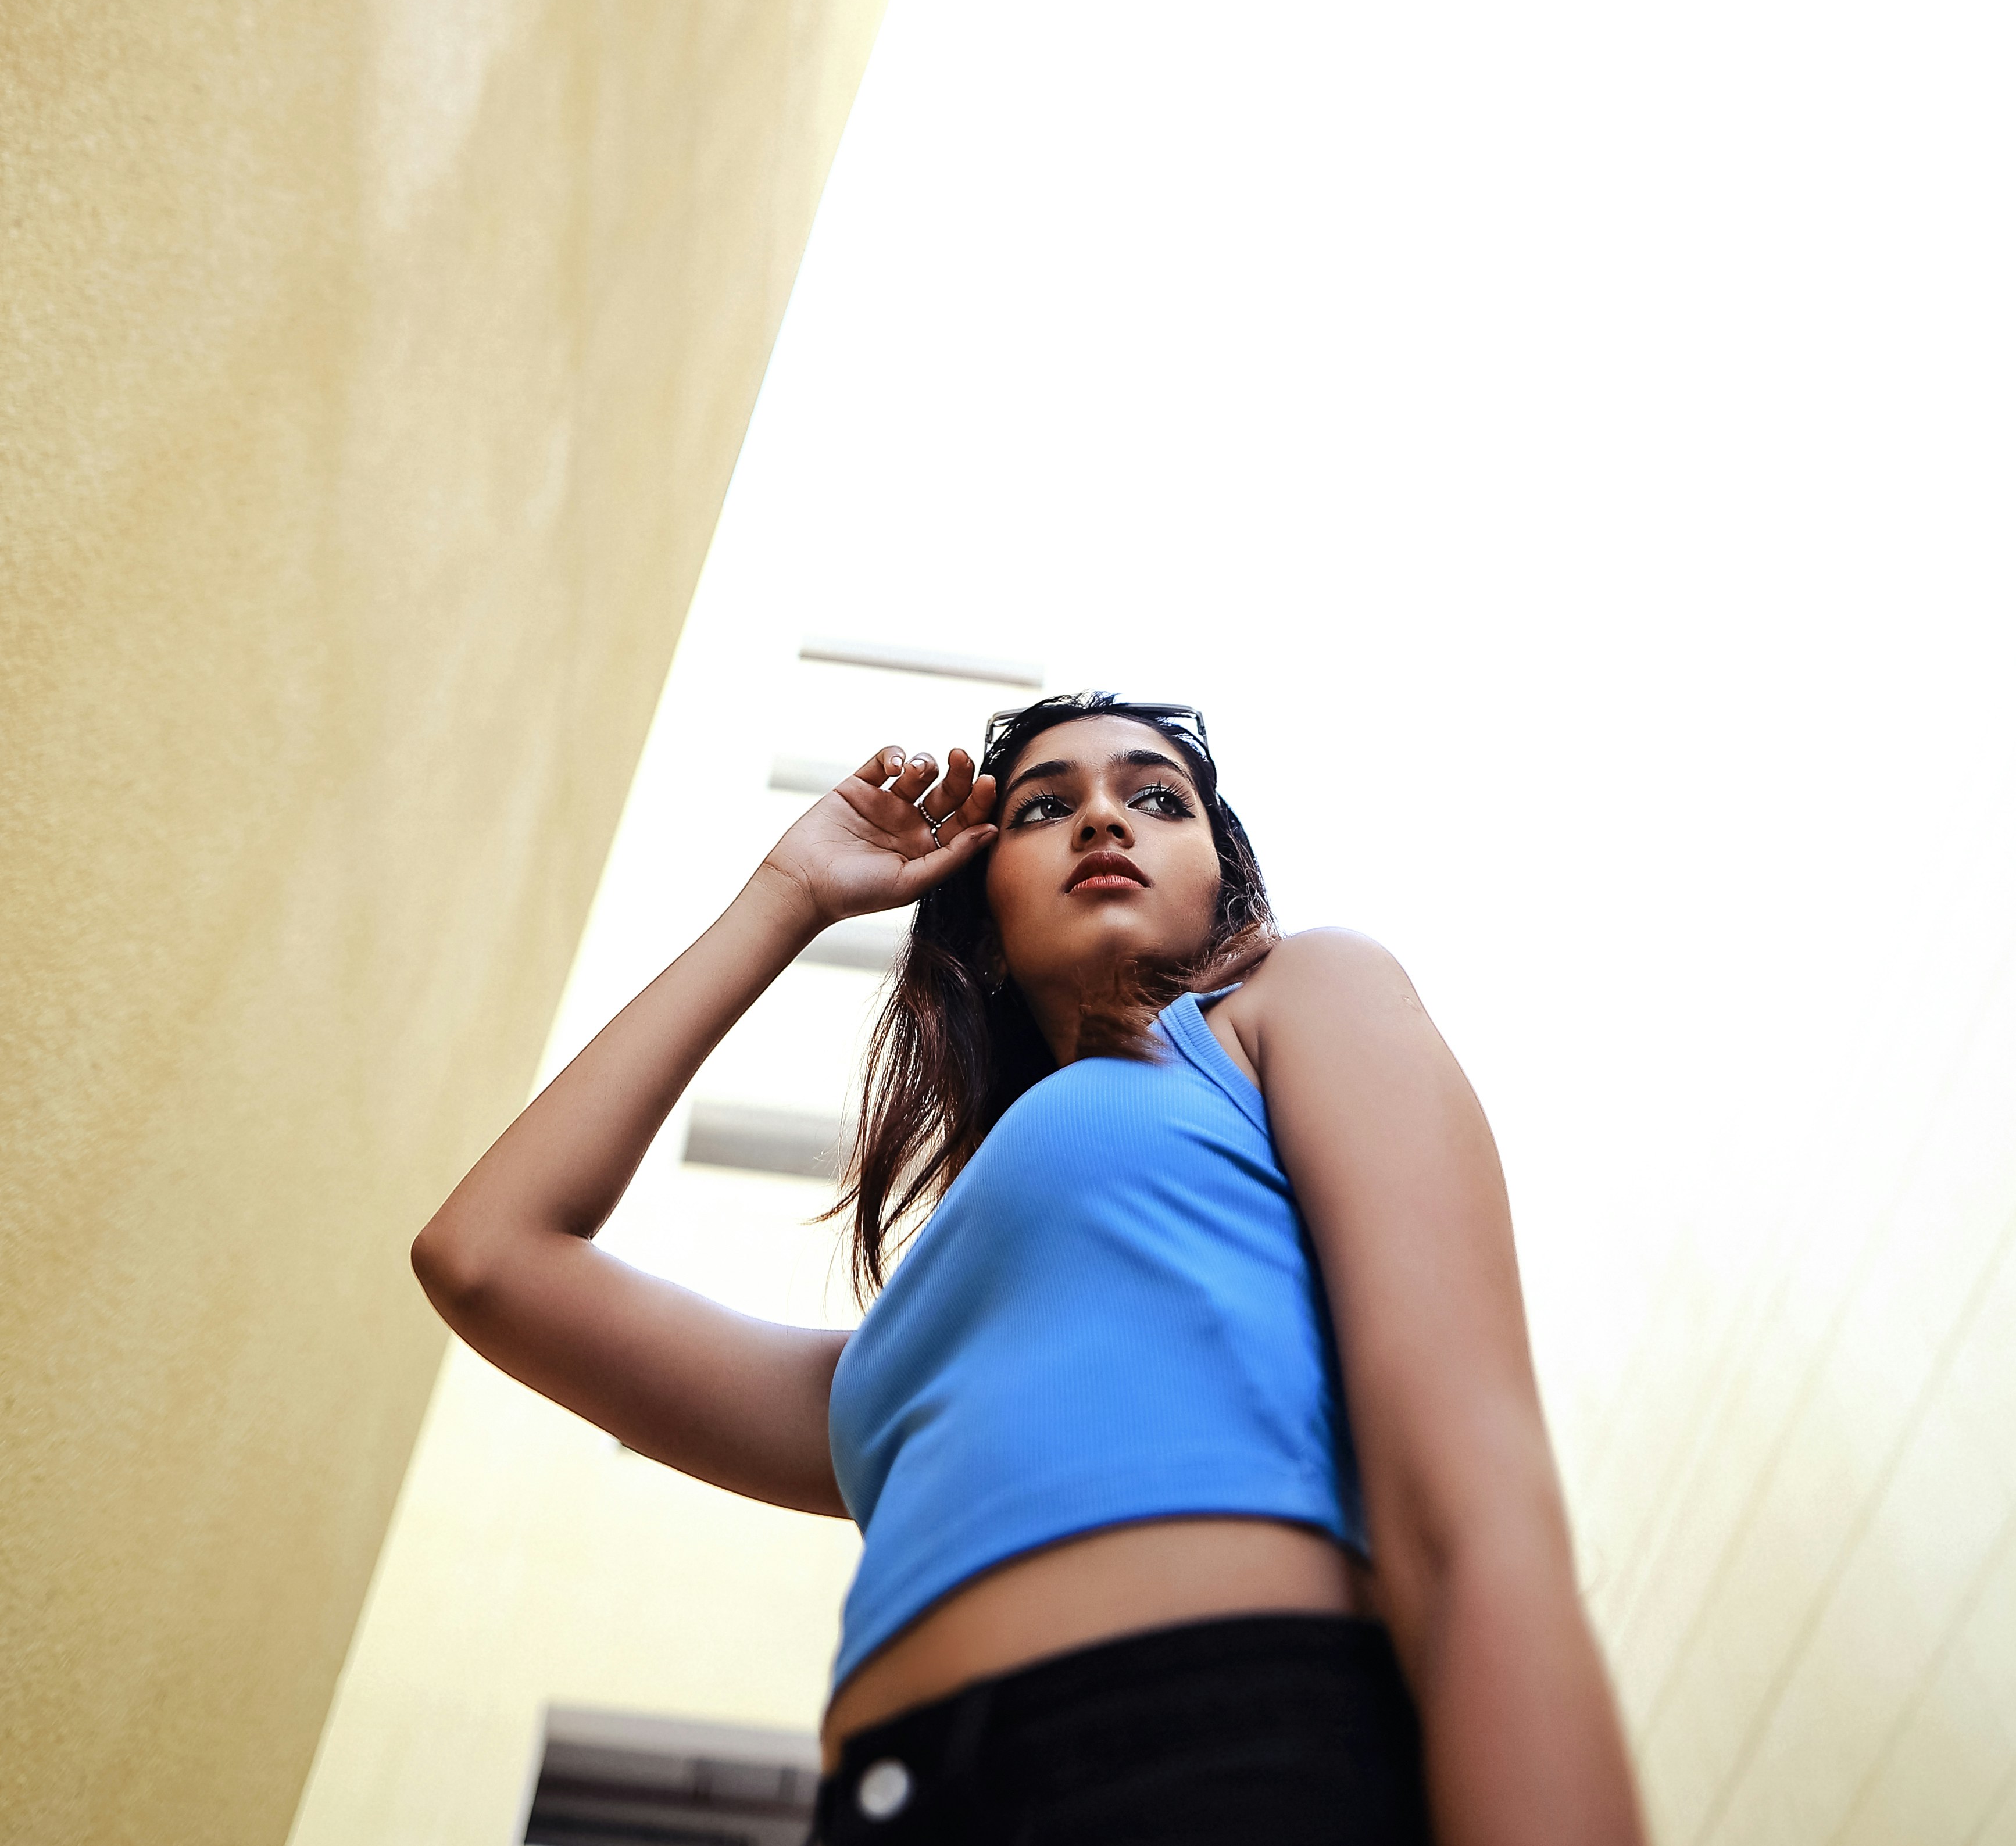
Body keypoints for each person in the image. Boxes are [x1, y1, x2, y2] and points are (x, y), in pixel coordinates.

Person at [413, 693, 1647, 1846]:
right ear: (981, 904)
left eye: (1159, 799)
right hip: (889, 1802)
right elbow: (487, 1258)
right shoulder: (891, 1383)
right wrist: (785, 894)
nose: (1105, 816)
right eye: (1045, 806)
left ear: (1223, 881)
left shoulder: (1289, 1002)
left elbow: (1475, 1509)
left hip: (1227, 1750)